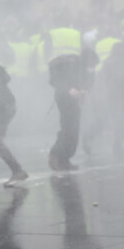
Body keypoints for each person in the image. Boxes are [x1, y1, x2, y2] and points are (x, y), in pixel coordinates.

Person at [46, 23, 97, 171]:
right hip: (64, 97)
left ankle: (65, 158)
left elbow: (86, 75)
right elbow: (54, 80)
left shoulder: (79, 60)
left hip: (75, 97)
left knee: (73, 128)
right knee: (68, 128)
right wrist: (69, 89)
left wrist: (85, 90)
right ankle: (56, 155)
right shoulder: (59, 61)